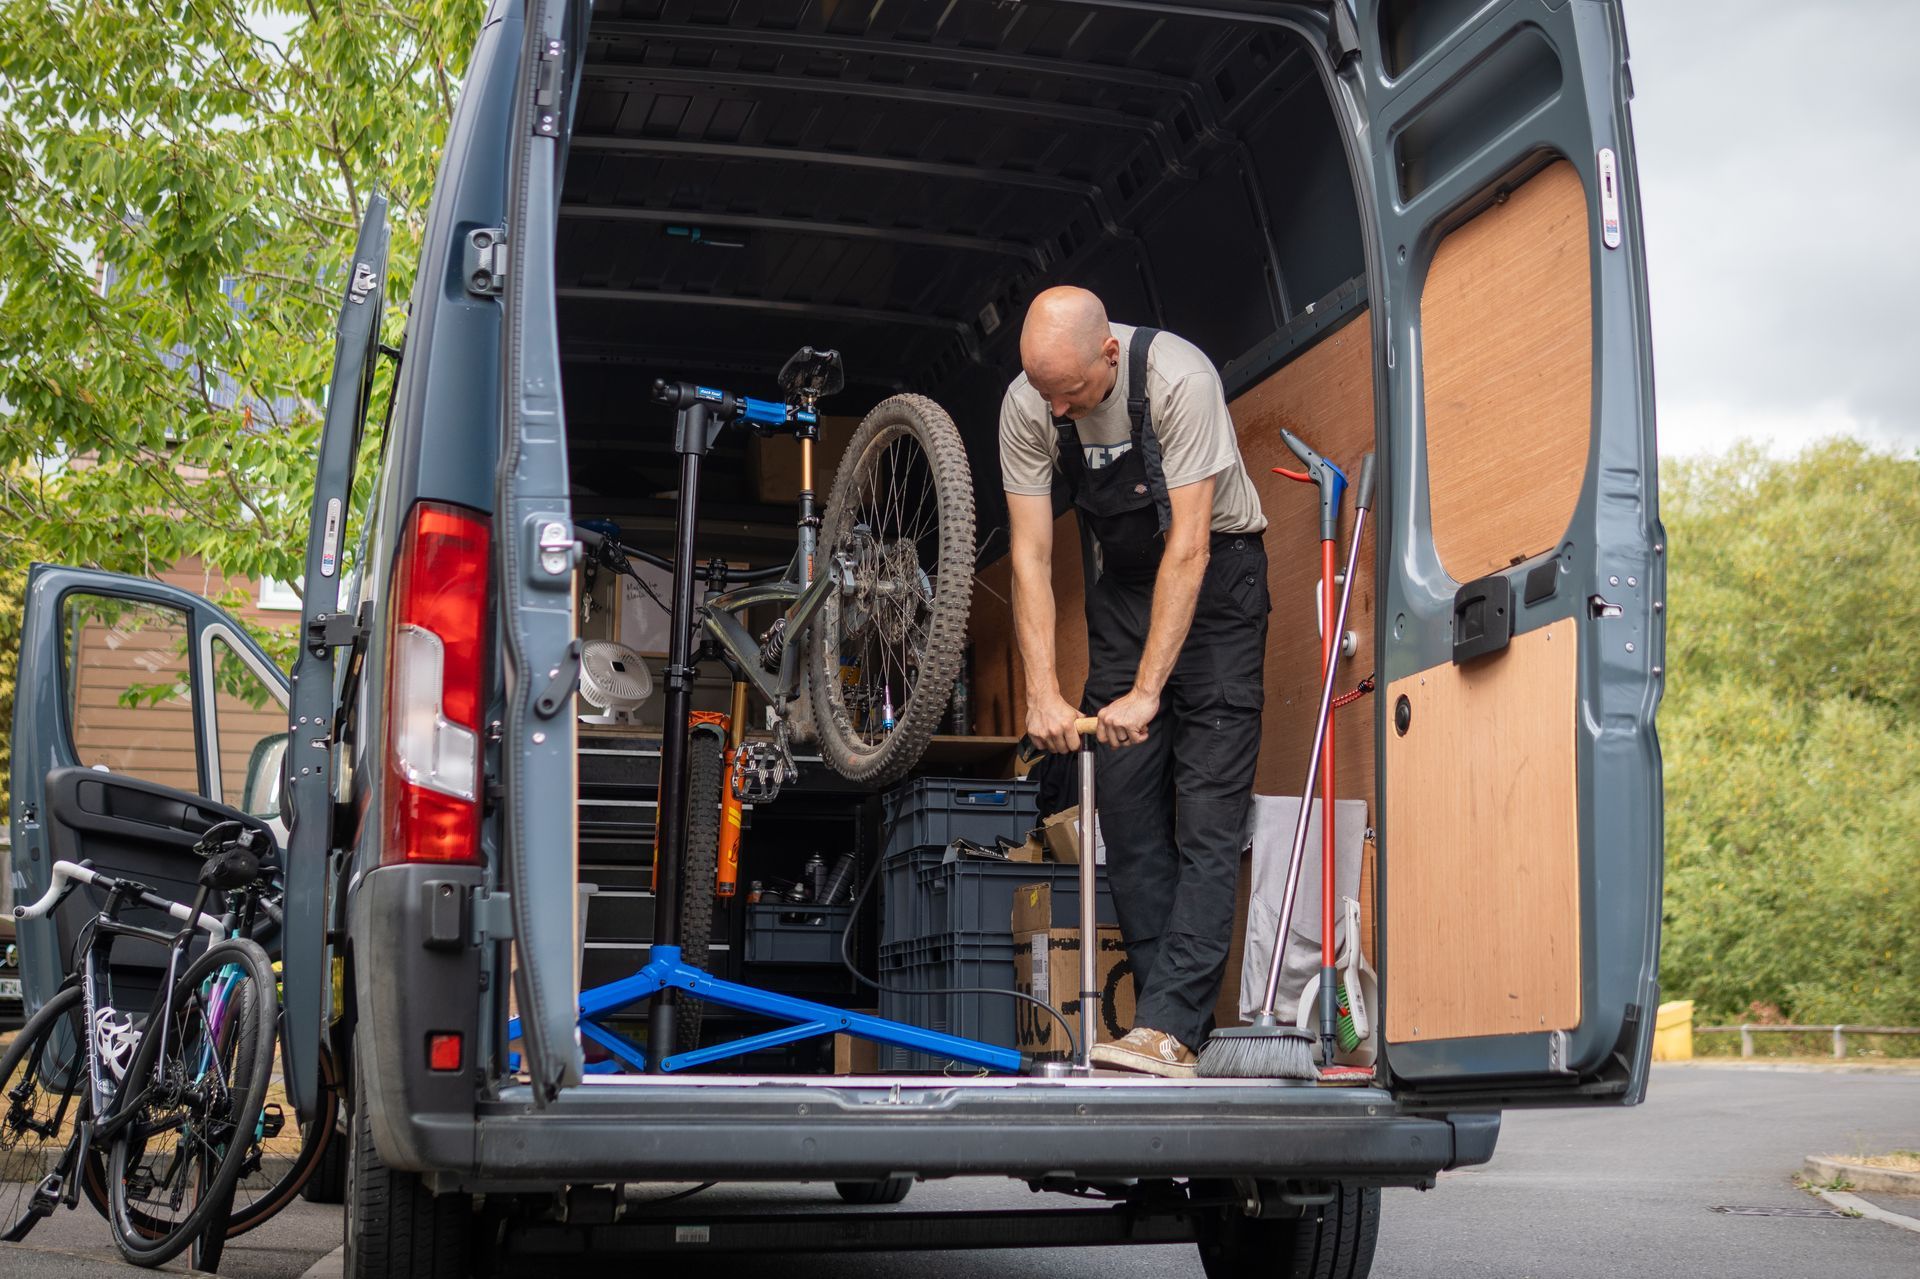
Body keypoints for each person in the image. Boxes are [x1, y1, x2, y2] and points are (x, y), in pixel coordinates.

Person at [1001, 286, 1269, 1078]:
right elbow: (1031, 557)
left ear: (1108, 356)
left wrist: (1148, 692)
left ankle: (1171, 1024)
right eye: (1043, 391)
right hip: (1122, 591)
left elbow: (1189, 547)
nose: (1055, 411)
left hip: (1218, 584)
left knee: (1208, 815)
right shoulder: (1028, 404)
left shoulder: (1180, 379)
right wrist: (1043, 692)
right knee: (1127, 810)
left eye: (1071, 393)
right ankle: (1169, 1029)